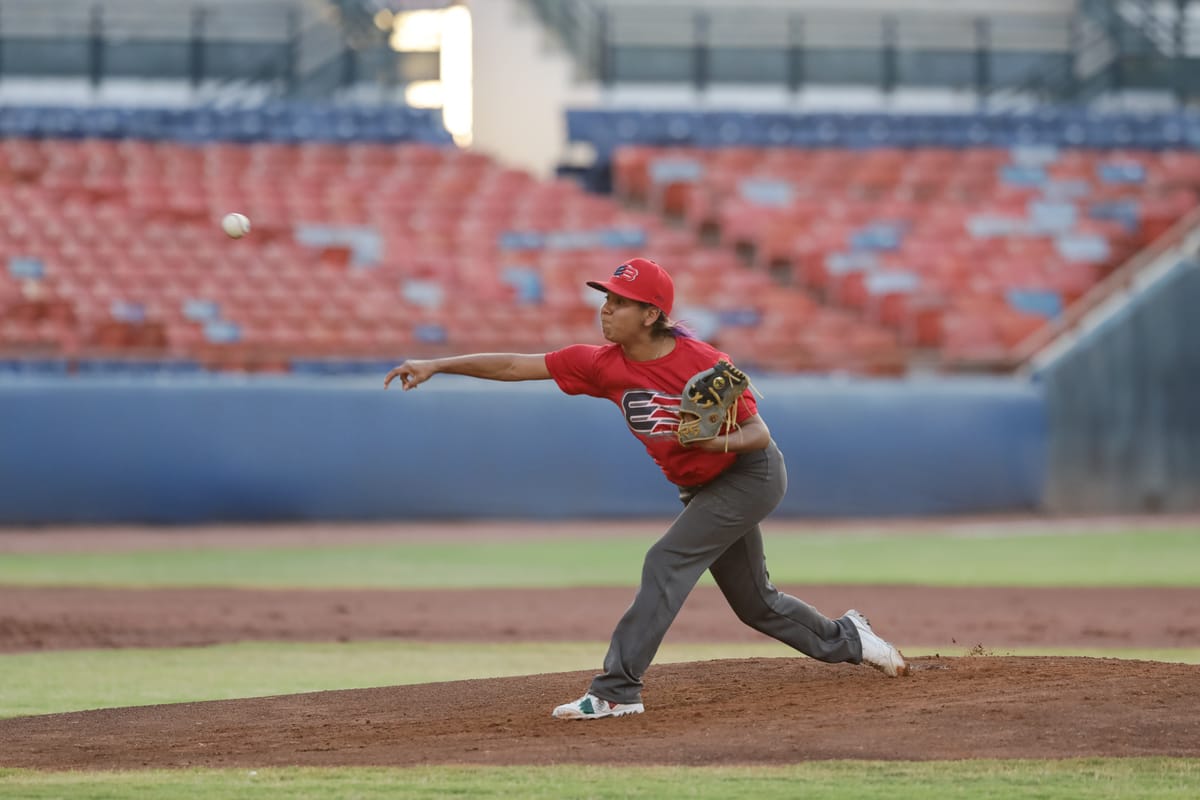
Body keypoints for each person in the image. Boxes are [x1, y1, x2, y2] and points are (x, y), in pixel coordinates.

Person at [384, 257, 908, 720]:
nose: (606, 308)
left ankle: (616, 691)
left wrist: (711, 444)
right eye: (606, 298)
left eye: (620, 301)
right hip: (702, 490)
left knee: (665, 561)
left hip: (751, 476)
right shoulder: (602, 364)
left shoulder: (701, 361)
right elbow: (515, 365)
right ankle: (850, 639)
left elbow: (759, 434)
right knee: (756, 605)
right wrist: (437, 365)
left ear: (652, 314)